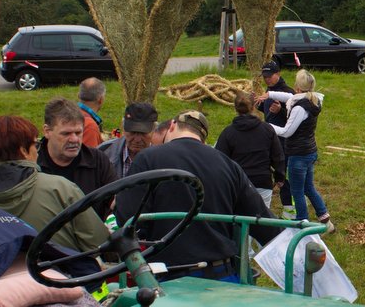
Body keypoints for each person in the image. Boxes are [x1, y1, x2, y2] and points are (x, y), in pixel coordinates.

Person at [114, 110, 278, 281]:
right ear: (203, 138)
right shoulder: (228, 165)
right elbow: (263, 222)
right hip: (222, 275)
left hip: (167, 276)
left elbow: (129, 220)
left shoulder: (147, 159)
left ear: (171, 126)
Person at [0, 115, 111, 254]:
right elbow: (99, 245)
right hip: (60, 273)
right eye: (35, 145)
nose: (37, 151)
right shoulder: (60, 188)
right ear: (23, 151)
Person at [264, 69, 334, 233]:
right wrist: (269, 95)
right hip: (309, 151)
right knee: (309, 187)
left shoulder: (299, 109)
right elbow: (289, 98)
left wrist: (267, 126)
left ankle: (302, 224)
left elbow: (287, 132)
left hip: (298, 155)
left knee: (297, 191)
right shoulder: (312, 99)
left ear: (297, 86)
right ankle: (324, 217)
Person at [37, 98, 118, 220]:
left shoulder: (98, 161)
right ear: (47, 131)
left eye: (78, 132)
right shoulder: (32, 163)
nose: (74, 139)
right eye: (66, 134)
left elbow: (115, 202)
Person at [215, 92, 285, 209]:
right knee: (261, 222)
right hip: (262, 183)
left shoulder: (228, 133)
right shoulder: (267, 129)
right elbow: (277, 156)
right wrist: (280, 177)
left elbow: (220, 160)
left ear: (235, 108)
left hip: (238, 184)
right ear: (253, 107)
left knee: (238, 221)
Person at [256, 61, 295, 217]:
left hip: (284, 141)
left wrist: (281, 110)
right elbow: (267, 111)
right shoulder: (269, 90)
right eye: (264, 77)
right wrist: (257, 103)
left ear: (278, 73)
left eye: (269, 76)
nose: (267, 80)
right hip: (269, 138)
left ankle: (289, 209)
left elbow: (295, 117)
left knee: (282, 174)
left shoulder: (288, 92)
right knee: (271, 171)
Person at [99, 102, 158, 180]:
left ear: (154, 130)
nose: (137, 139)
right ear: (122, 128)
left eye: (143, 133)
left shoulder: (162, 160)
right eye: (132, 132)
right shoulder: (103, 153)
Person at [77, 77, 107, 147]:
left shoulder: (65, 113)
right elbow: (90, 157)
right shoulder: (89, 126)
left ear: (78, 95)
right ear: (101, 100)